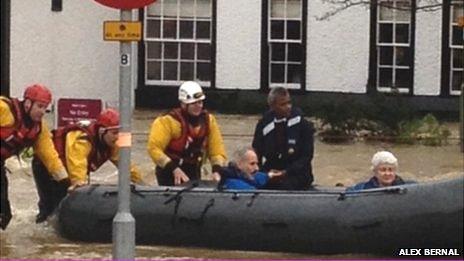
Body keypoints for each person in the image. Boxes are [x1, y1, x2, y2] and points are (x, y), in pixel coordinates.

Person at [32, 108, 144, 223]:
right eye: (114, 133)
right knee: (50, 205)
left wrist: (142, 185)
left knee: (64, 203)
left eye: (120, 133)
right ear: (102, 131)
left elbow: (127, 165)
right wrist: (80, 188)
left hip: (67, 168)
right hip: (46, 166)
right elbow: (77, 165)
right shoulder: (83, 139)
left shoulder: (114, 142)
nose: (118, 137)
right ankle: (44, 229)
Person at [0, 84, 69, 230]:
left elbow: (50, 157)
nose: (42, 111)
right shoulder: (4, 109)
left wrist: (66, 181)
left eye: (45, 108)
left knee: (4, 214)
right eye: (39, 106)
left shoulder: (39, 129)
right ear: (27, 103)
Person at [147, 81, 227, 186]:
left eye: (200, 102)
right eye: (194, 103)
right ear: (183, 104)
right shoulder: (167, 121)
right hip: (169, 170)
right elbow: (154, 148)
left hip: (193, 168)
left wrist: (217, 170)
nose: (198, 106)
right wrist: (174, 168)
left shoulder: (209, 121)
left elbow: (216, 150)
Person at [252, 87, 315, 190]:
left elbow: (306, 156)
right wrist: (262, 173)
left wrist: (285, 172)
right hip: (271, 170)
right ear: (272, 106)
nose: (288, 107)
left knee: (287, 185)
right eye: (283, 105)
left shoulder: (303, 125)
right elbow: (257, 152)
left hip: (297, 174)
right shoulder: (263, 124)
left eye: (289, 103)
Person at [218, 147, 283, 190]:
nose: (257, 168)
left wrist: (269, 176)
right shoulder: (235, 185)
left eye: (257, 164)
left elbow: (257, 177)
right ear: (239, 164)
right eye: (252, 164)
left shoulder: (245, 175)